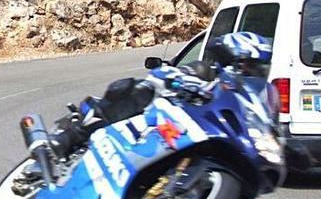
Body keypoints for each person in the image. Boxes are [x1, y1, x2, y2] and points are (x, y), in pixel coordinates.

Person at [49, 32, 273, 158]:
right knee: (131, 89)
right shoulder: (205, 71)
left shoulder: (245, 99)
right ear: (231, 59)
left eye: (257, 69)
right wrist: (177, 79)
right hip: (158, 117)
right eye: (247, 65)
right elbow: (167, 74)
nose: (250, 72)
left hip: (189, 137)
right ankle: (73, 135)